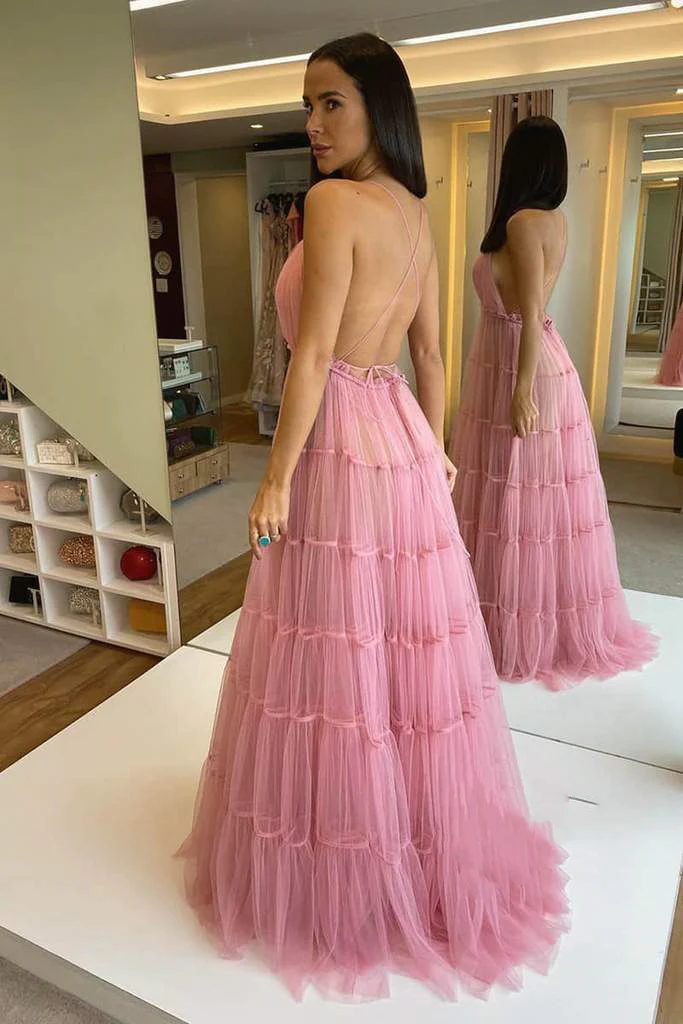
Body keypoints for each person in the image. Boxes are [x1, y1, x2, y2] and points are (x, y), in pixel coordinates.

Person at [179, 37, 567, 1001]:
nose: (312, 124)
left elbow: (312, 358)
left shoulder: (331, 204)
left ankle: (344, 847)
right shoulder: (415, 211)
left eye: (331, 103)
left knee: (334, 637)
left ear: (377, 107)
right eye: (306, 105)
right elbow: (427, 357)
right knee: (394, 640)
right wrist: (434, 447)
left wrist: (274, 479)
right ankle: (405, 834)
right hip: (394, 430)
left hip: (340, 438)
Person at [451, 116, 658, 690]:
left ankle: (523, 626)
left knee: (523, 498)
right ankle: (512, 613)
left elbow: (530, 309)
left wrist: (520, 390)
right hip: (520, 362)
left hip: (523, 369)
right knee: (523, 497)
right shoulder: (547, 220)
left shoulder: (523, 223)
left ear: (517, 164)